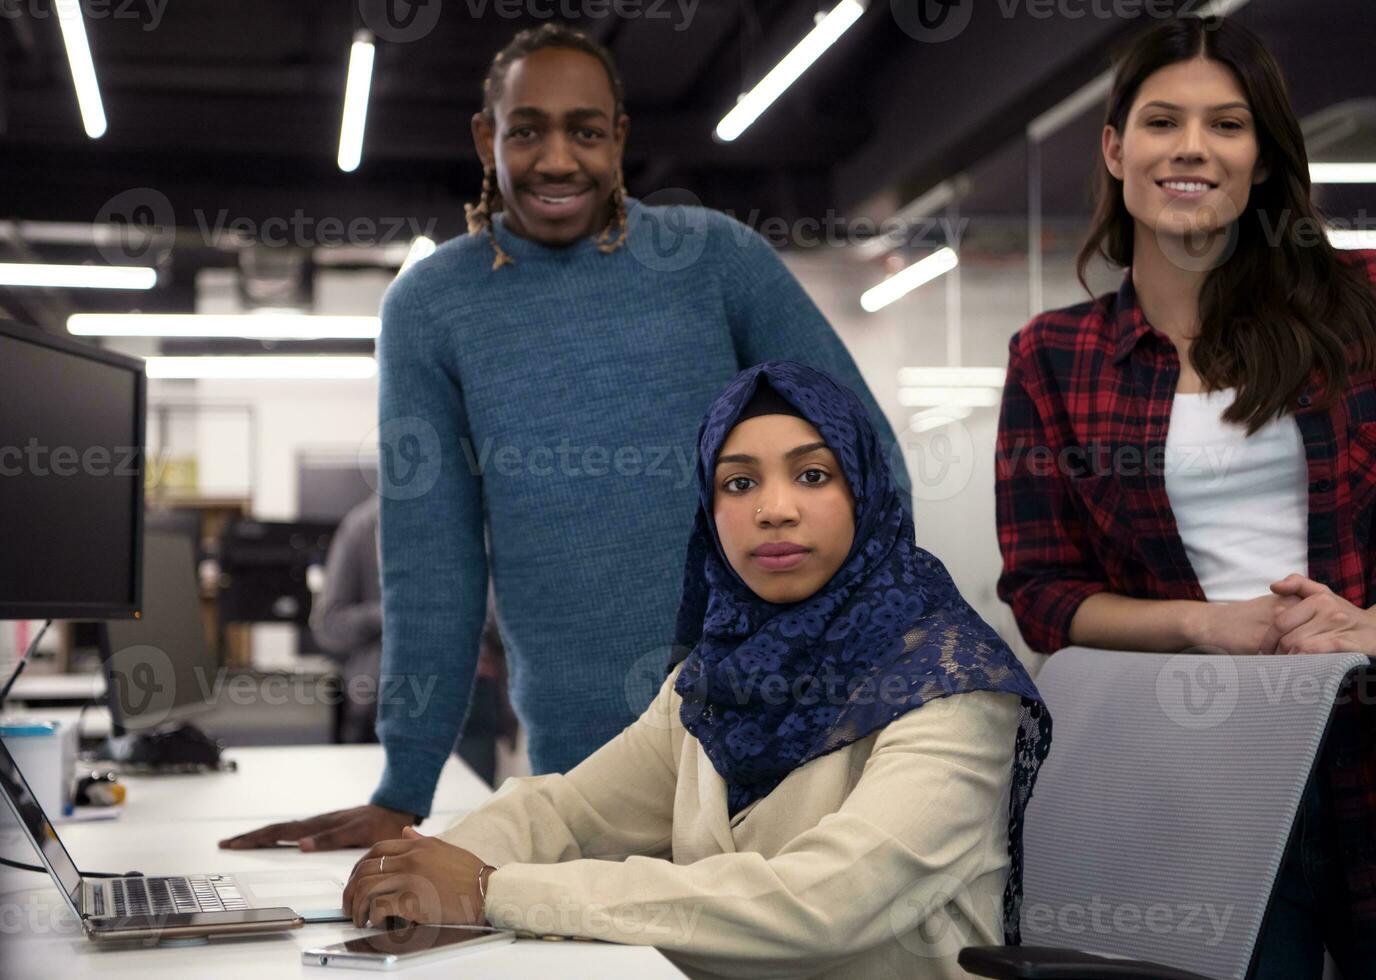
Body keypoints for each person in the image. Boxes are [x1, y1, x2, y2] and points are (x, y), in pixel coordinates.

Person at [221, 25, 908, 853]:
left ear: (619, 137)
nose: (556, 160)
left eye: (584, 130)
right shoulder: (432, 308)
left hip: (779, 736)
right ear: (487, 137)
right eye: (526, 130)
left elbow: (867, 459)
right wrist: (405, 784)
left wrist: (851, 659)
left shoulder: (713, 259)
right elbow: (431, 561)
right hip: (585, 774)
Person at [341, 361, 1050, 979]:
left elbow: (821, 905)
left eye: (812, 474)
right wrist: (417, 869)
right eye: (738, 484)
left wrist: (490, 890)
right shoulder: (716, 682)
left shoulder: (952, 686)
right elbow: (568, 812)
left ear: (864, 492)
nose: (773, 510)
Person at [994, 16, 1376, 978]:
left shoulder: (1363, 304)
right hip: (1204, 767)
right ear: (1117, 148)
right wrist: (1210, 628)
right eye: (1163, 121)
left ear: (1263, 156)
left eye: (1228, 124)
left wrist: (1368, 630)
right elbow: (1043, 595)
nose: (1193, 148)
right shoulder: (1054, 355)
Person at [309, 495, 515, 785]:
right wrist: (400, 609)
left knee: (470, 817)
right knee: (389, 822)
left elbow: (510, 619)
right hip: (392, 698)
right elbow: (329, 626)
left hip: (472, 697)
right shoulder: (362, 527)